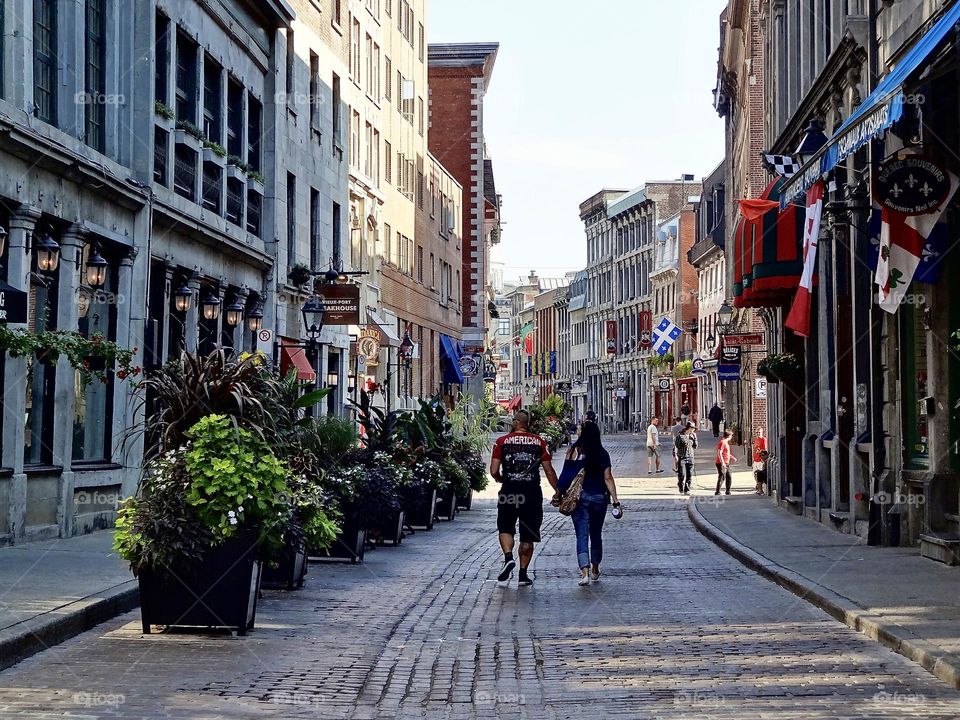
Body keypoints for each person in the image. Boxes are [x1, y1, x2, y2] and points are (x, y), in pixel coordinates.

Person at [490, 410, 559, 587]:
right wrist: (558, 490)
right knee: (528, 535)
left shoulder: (502, 442)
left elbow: (493, 470)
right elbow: (549, 470)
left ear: (516, 422)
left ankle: (508, 557)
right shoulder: (539, 442)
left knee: (505, 526)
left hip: (509, 492)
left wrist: (501, 479)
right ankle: (522, 574)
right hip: (531, 494)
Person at [563, 422, 621, 586]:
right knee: (596, 534)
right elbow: (608, 477)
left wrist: (559, 492)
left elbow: (567, 474)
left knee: (581, 535)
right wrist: (616, 501)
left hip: (580, 499)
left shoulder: (576, 451)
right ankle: (595, 568)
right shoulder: (602, 453)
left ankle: (585, 573)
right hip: (599, 499)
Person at [673, 421, 698, 494]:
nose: (694, 430)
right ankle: (680, 484)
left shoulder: (692, 436)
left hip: (690, 457)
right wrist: (676, 456)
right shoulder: (680, 436)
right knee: (682, 474)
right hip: (682, 457)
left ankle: (687, 489)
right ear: (689, 428)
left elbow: (695, 446)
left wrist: (695, 438)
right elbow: (676, 447)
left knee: (689, 474)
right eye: (693, 428)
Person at [715, 429, 737, 495]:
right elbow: (720, 453)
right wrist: (723, 463)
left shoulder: (725, 443)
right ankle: (717, 491)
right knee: (722, 476)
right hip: (721, 463)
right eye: (731, 436)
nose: (732, 437)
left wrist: (732, 457)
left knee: (728, 475)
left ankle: (728, 491)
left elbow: (726, 453)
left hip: (726, 463)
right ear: (729, 436)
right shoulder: (722, 442)